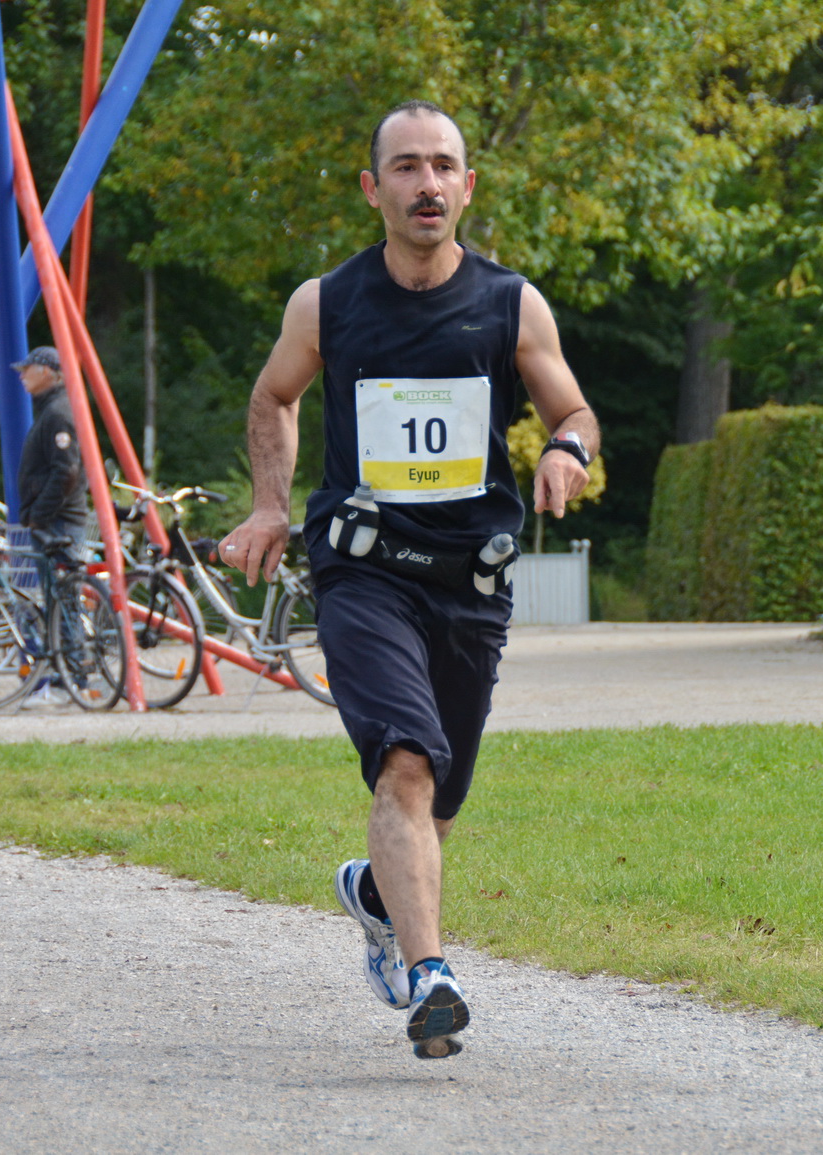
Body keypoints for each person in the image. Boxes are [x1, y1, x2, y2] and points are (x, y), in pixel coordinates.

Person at [218, 100, 599, 1060]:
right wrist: (270, 504)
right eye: (406, 167)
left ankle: (377, 896)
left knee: (438, 798)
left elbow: (578, 410)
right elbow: (274, 393)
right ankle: (432, 975)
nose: (427, 183)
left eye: (443, 166)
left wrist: (567, 452)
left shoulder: (513, 303)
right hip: (363, 571)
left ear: (468, 185)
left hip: (469, 583)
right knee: (405, 760)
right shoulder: (326, 302)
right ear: (373, 187)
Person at [13, 347, 89, 706]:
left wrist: (39, 515)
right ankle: (67, 677)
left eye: (28, 368)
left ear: (49, 372)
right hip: (57, 518)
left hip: (58, 521)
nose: (21, 373)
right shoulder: (53, 410)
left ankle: (68, 682)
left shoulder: (57, 413)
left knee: (63, 600)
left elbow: (67, 471)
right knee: (60, 599)